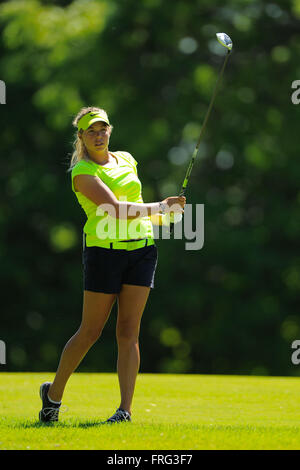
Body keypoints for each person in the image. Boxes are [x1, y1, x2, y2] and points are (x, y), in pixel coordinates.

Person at [39, 106, 186, 424]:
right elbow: (114, 209)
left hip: (142, 250)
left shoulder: (128, 159)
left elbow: (138, 203)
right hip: (103, 254)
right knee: (90, 331)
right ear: (81, 136)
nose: (98, 134)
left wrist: (166, 215)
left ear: (110, 130)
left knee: (128, 332)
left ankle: (125, 411)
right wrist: (160, 206)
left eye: (102, 128)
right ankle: (53, 395)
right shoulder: (82, 173)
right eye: (91, 130)